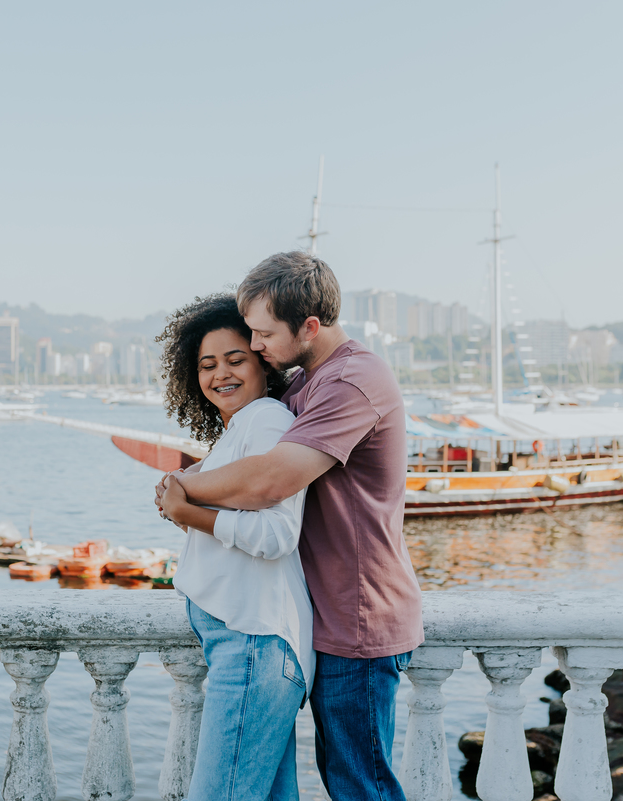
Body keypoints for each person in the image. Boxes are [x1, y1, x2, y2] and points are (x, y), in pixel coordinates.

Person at [160, 252, 424, 801]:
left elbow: (270, 482)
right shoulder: (306, 382)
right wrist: (191, 480)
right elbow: (251, 465)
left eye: (262, 335)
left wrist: (182, 492)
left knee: (361, 787)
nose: (257, 346)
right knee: (336, 781)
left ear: (309, 326)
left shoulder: (352, 380)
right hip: (324, 615)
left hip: (358, 617)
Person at [153, 293, 316, 801]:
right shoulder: (237, 433)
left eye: (235, 359)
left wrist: (189, 513)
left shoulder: (266, 420)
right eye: (207, 365)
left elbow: (277, 535)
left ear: (264, 363)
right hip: (251, 648)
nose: (220, 373)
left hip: (254, 646)